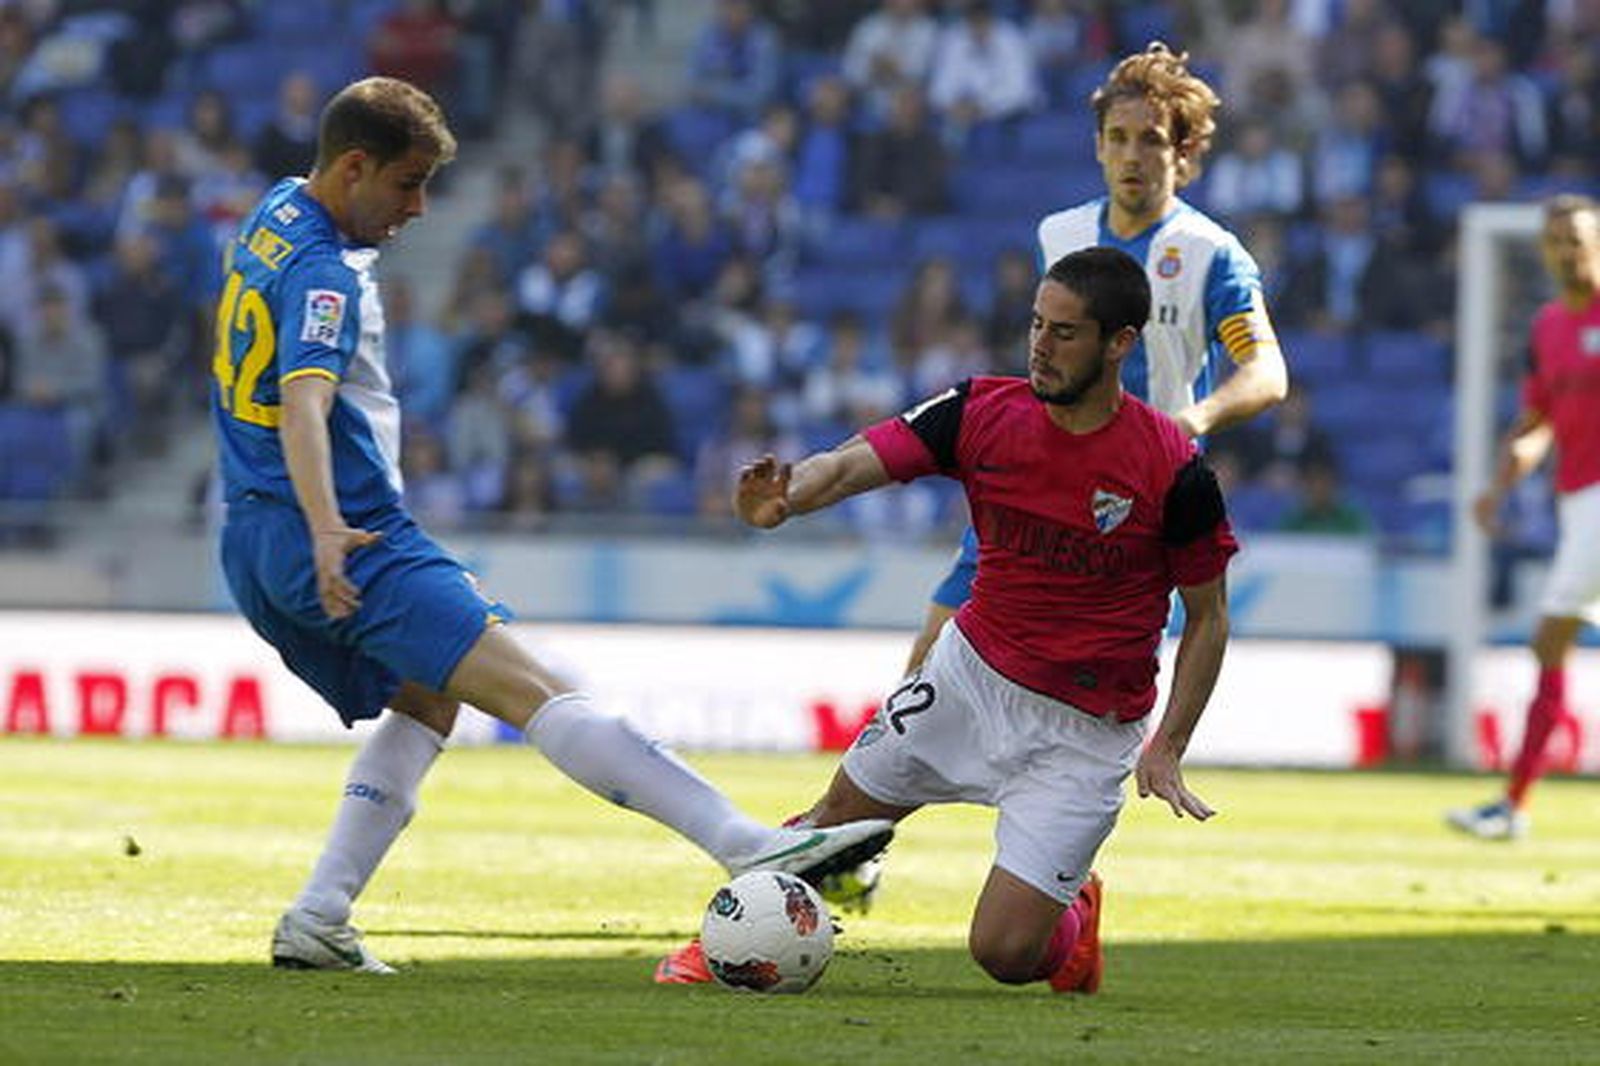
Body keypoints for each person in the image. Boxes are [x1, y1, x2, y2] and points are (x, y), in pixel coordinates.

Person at [211, 76, 893, 973]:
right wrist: (329, 525)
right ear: (352, 168)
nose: (418, 208)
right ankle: (748, 845)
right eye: (407, 184)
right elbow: (306, 401)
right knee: (536, 687)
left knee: (429, 696)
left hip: (251, 534)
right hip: (343, 533)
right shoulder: (324, 274)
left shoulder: (274, 215)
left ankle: (320, 915)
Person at [658, 247, 1237, 990]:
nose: (1041, 346)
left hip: (1085, 731)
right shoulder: (980, 410)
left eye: (1065, 332)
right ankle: (735, 941)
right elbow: (854, 460)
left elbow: (1208, 617)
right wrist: (790, 494)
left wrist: (1169, 745)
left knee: (1005, 953)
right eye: (1036, 324)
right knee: (837, 818)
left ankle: (1073, 916)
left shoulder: (1171, 466)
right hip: (968, 679)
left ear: (1120, 343)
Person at [908, 42, 1286, 696]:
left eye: (1151, 140)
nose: (1132, 155)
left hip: (1135, 497)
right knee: (934, 657)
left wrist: (1190, 421)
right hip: (1037, 475)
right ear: (1098, 148)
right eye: (1118, 138)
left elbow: (1267, 372)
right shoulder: (1059, 236)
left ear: (1184, 154)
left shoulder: (1210, 255)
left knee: (1081, 690)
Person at [1447, 194, 1600, 841]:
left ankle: (1513, 804)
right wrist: (1501, 483)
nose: (1567, 251)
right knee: (1550, 644)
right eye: (1557, 241)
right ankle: (1512, 804)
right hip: (1578, 500)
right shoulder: (1548, 328)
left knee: (1550, 638)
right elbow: (1538, 422)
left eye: (1577, 239)